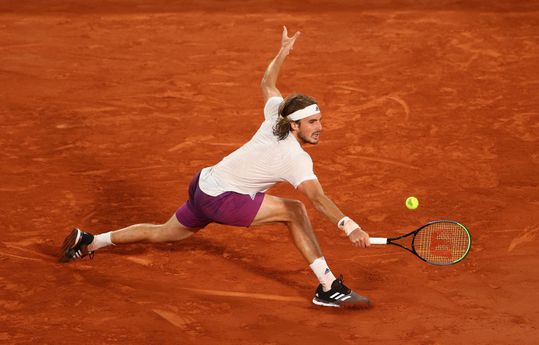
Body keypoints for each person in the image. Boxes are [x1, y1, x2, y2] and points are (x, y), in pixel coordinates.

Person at [60, 26, 372, 308]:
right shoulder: (295, 157)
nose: (320, 127)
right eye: (312, 123)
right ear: (294, 126)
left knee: (165, 233)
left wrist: (281, 53)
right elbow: (316, 199)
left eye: (319, 121)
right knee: (295, 212)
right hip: (221, 199)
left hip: (204, 184)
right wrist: (349, 225)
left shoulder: (276, 115)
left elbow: (267, 83)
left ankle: (91, 241)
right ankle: (328, 287)